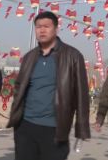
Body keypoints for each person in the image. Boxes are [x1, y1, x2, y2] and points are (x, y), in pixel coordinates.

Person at [8, 11, 90, 160]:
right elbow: (19, 89)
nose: (42, 30)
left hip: (54, 129)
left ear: (56, 29)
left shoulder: (73, 56)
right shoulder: (29, 57)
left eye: (46, 26)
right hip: (25, 127)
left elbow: (82, 95)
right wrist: (16, 121)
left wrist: (82, 129)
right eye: (38, 26)